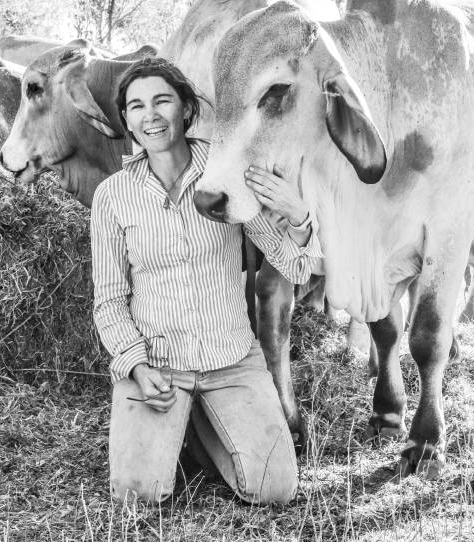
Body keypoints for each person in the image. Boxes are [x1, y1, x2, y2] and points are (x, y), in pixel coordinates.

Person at [90, 57, 322, 505]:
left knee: (275, 491)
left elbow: (294, 268)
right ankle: (180, 418)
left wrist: (299, 217)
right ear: (127, 121)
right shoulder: (112, 196)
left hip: (231, 359)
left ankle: (199, 425)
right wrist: (137, 366)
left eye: (162, 101)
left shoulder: (226, 172)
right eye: (137, 106)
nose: (151, 115)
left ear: (186, 109)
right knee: (136, 498)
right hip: (157, 365)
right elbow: (110, 300)